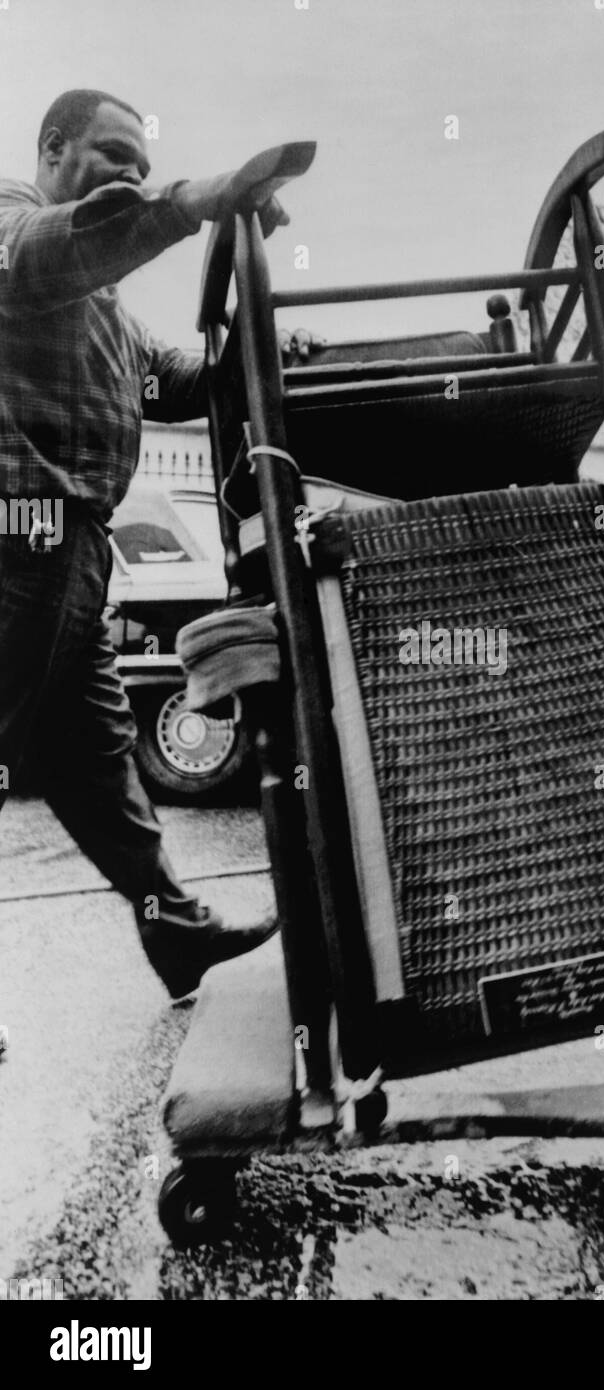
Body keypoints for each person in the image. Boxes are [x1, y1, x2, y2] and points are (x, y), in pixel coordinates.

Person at [0, 89, 294, 999]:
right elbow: (63, 246)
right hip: (19, 536)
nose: (129, 172)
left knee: (93, 757)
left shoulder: (102, 303)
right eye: (112, 154)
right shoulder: (16, 227)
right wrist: (189, 199)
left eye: (142, 159)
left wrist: (266, 340)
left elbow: (171, 380)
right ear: (52, 150)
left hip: (74, 550)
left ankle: (172, 927)